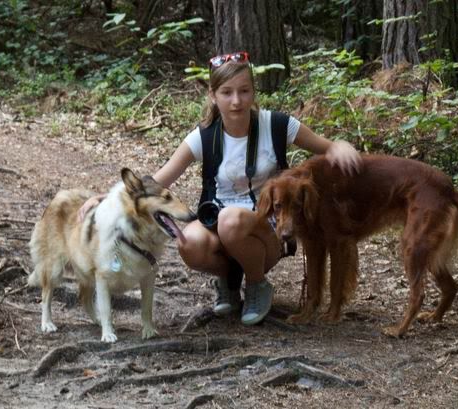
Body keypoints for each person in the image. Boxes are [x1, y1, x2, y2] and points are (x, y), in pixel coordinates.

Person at [79, 51, 361, 326]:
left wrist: (344, 148)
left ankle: (257, 285)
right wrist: (106, 198)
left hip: (268, 231)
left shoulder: (277, 125)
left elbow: (329, 147)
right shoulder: (204, 136)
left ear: (253, 92)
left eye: (244, 91)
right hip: (219, 226)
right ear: (213, 95)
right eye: (227, 93)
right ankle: (228, 282)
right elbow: (157, 181)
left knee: (231, 220)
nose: (236, 101)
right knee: (189, 241)